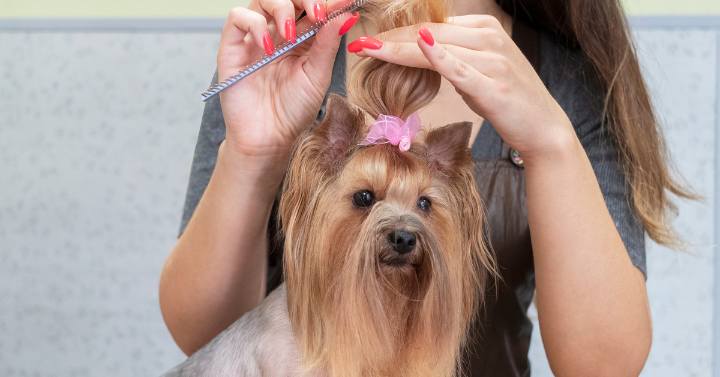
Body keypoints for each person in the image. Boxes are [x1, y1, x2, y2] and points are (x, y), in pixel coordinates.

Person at [159, 0, 695, 375]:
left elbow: (603, 366)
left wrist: (550, 143)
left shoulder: (568, 84)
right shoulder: (279, 60)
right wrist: (252, 156)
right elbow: (205, 339)